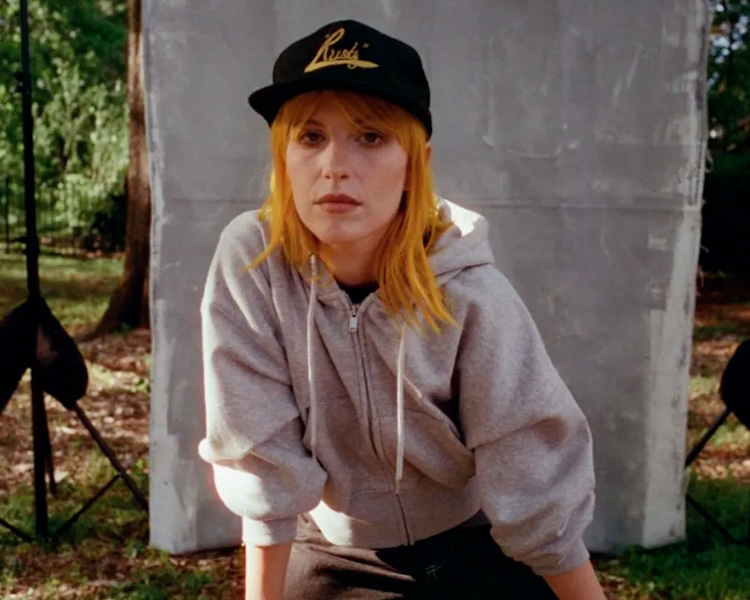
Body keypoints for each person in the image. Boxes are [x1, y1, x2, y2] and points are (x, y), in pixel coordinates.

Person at [198, 19, 606, 600]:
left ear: (415, 161)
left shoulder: (470, 291)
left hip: (476, 541)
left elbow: (528, 463)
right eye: (311, 136)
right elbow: (259, 453)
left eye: (371, 137)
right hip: (333, 550)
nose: (335, 165)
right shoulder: (253, 263)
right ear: (283, 156)